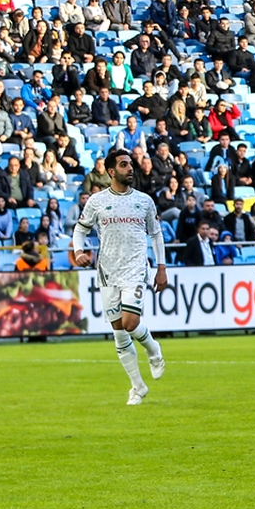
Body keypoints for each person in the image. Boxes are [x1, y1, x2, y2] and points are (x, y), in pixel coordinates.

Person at [71, 149, 168, 406]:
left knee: (129, 321)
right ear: (111, 171)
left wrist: (161, 267)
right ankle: (137, 386)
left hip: (135, 269)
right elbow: (80, 231)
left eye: (131, 164)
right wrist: (78, 251)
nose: (130, 168)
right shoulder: (97, 201)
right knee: (118, 332)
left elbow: (156, 235)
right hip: (107, 271)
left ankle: (153, 349)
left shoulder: (145, 201)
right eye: (124, 165)